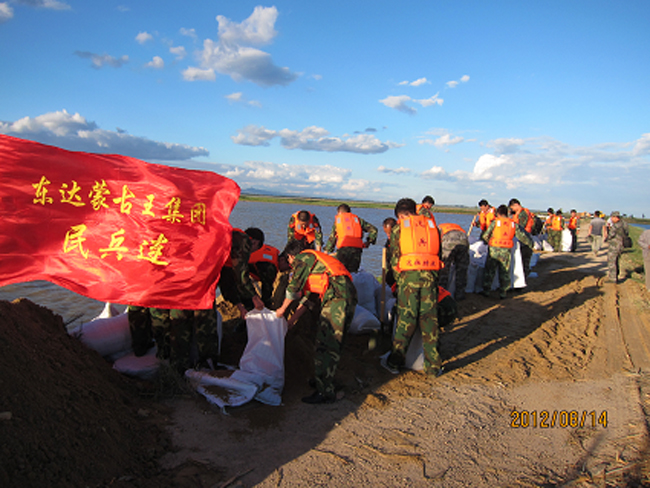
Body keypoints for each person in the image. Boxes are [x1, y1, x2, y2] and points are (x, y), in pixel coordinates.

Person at [275, 242, 357, 404]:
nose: (292, 266)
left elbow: (293, 287)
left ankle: (325, 391)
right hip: (342, 296)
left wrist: (282, 310)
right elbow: (308, 299)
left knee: (326, 343)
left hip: (337, 298)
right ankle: (323, 380)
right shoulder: (318, 265)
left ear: (291, 256)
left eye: (289, 262)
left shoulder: (304, 257)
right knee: (329, 343)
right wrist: (291, 321)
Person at [382, 198, 443, 377]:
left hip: (409, 278)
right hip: (430, 278)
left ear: (400, 214)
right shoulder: (431, 225)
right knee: (430, 321)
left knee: (406, 320)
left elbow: (394, 258)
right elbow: (439, 253)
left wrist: (399, 282)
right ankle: (433, 367)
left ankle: (395, 362)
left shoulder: (399, 228)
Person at [480, 204, 533, 299]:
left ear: (498, 214)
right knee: (504, 271)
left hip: (494, 250)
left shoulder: (495, 223)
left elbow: (485, 235)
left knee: (490, 270)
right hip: (506, 250)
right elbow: (521, 236)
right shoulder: (513, 224)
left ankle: (486, 291)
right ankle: (503, 292)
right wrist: (530, 244)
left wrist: (487, 242)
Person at [219, 229, 264, 318]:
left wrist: (240, 307)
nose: (249, 254)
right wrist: (255, 297)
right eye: (251, 251)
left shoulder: (230, 240)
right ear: (255, 242)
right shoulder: (243, 241)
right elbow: (242, 274)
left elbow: (226, 282)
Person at [323, 203, 378, 273]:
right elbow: (374, 230)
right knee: (353, 273)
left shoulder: (338, 221)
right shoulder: (358, 220)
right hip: (357, 250)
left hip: (343, 250)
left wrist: (327, 251)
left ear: (339, 212)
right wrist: (369, 241)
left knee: (341, 271)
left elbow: (332, 238)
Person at [246, 227, 280, 309]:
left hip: (265, 277)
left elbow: (267, 286)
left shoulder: (265, 263)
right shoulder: (247, 252)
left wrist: (262, 301)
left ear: (255, 242)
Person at [437, 222, 469, 301]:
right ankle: (460, 294)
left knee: (444, 268)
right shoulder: (455, 226)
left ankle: (442, 294)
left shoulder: (439, 228)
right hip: (463, 238)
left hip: (449, 238)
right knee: (462, 269)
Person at [508, 198, 535, 276]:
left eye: (512, 208)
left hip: (524, 239)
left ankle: (524, 278)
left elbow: (520, 227)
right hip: (522, 238)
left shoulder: (523, 214)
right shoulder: (518, 214)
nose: (512, 210)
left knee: (524, 260)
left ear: (516, 205)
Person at [604, 211, 629, 283]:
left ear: (615, 217)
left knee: (611, 261)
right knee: (617, 260)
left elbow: (611, 235)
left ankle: (612, 278)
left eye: (612, 217)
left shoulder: (616, 226)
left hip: (615, 245)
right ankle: (616, 275)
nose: (611, 219)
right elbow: (627, 233)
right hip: (622, 245)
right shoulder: (625, 224)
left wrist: (607, 238)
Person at [382, 217, 397, 290]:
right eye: (386, 233)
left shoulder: (399, 240)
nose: (388, 236)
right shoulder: (388, 242)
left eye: (389, 233)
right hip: (390, 269)